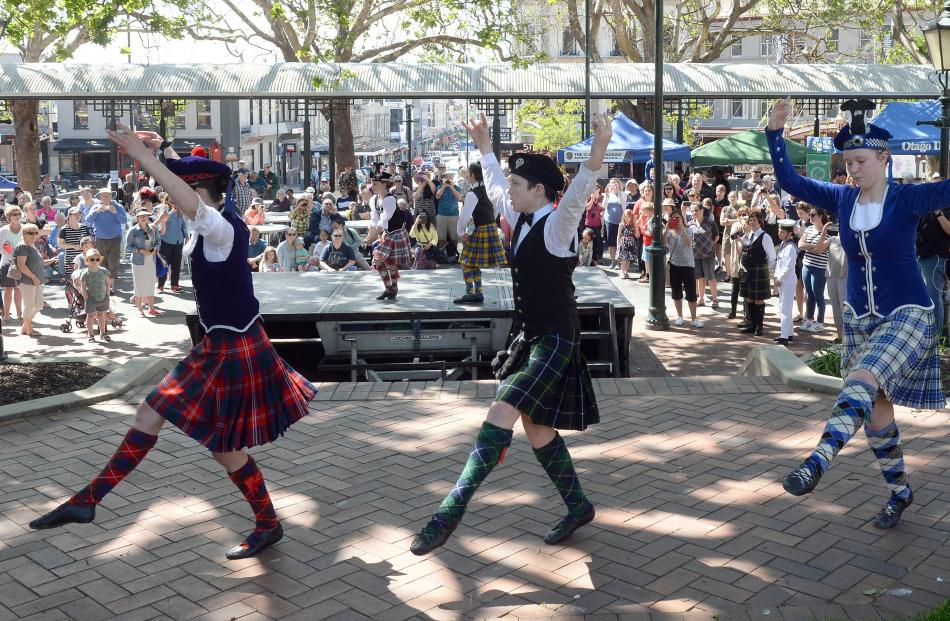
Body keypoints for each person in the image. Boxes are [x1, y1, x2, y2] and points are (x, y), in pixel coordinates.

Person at [29, 124, 317, 561]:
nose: (178, 194)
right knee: (219, 447)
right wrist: (158, 152)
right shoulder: (209, 223)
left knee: (169, 420)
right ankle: (266, 522)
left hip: (231, 347)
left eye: (188, 187)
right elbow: (176, 193)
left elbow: (178, 193)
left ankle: (90, 499)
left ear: (204, 190)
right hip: (223, 344)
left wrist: (146, 159)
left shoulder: (220, 228)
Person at [409, 112, 611, 556]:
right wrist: (483, 143)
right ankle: (578, 506)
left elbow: (580, 189)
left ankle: (449, 511)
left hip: (556, 338)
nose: (510, 191)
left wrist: (600, 145)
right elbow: (498, 184)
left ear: (539, 191)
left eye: (521, 185)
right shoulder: (519, 217)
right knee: (537, 430)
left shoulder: (558, 225)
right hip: (533, 336)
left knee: (502, 412)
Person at [767, 97, 947, 529]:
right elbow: (789, 179)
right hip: (860, 319)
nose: (853, 169)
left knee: (864, 381)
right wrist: (775, 133)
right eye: (848, 161)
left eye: (861, 160)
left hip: (908, 312)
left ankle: (817, 462)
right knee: (876, 408)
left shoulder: (907, 198)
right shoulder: (842, 200)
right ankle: (900, 492)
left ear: (884, 157)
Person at [454, 162, 507, 303]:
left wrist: (460, 232)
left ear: (473, 175)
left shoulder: (472, 194)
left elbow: (464, 216)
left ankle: (471, 292)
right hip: (490, 227)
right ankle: (478, 293)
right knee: (473, 262)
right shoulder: (489, 191)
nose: (467, 176)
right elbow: (495, 210)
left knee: (466, 262)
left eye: (468, 174)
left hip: (481, 229)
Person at [367, 173, 411, 300]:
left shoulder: (390, 199)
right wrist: (369, 236)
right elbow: (375, 221)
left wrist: (371, 238)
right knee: (378, 260)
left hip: (396, 233)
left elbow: (383, 222)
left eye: (375, 183)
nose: (372, 186)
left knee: (390, 263)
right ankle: (389, 288)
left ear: (385, 184)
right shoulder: (374, 199)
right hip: (387, 233)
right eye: (372, 183)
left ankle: (393, 289)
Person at [13, 223, 56, 336]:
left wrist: (50, 261)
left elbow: (38, 262)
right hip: (27, 281)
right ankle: (28, 328)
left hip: (37, 280)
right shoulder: (22, 246)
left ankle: (25, 325)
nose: (34, 235)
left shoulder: (32, 245)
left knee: (39, 304)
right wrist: (33, 277)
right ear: (24, 234)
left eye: (36, 233)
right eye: (30, 233)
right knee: (29, 305)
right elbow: (21, 266)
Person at [738, 211, 775, 336]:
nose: (752, 222)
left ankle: (759, 326)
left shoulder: (765, 237)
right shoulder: (748, 235)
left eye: (754, 220)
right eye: (750, 220)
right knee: (750, 298)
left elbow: (772, 257)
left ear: (760, 222)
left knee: (759, 300)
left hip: (759, 271)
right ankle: (752, 324)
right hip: (748, 271)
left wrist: (764, 269)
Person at [665, 208, 701, 328]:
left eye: (678, 218)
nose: (676, 220)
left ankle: (694, 318)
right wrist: (666, 228)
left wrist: (681, 229)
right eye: (673, 218)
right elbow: (662, 241)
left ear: (682, 219)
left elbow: (688, 242)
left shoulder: (688, 230)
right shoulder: (669, 232)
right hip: (674, 265)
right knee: (676, 292)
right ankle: (679, 316)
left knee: (691, 292)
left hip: (688, 265)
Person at [798, 207, 831, 334]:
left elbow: (820, 250)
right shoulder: (809, 229)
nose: (810, 217)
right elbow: (801, 245)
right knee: (809, 294)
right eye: (810, 215)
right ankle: (809, 319)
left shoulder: (827, 232)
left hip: (819, 268)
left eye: (813, 215)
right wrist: (814, 246)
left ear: (821, 216)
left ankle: (820, 322)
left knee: (818, 294)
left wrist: (811, 247)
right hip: (806, 265)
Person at [126, 208, 164, 318]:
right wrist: (141, 251)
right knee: (139, 285)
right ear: (137, 218)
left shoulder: (153, 228)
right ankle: (139, 309)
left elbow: (158, 242)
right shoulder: (133, 230)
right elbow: (128, 247)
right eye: (141, 216)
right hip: (138, 261)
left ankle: (151, 308)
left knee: (150, 283)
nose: (144, 217)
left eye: (146, 215)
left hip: (151, 260)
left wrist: (155, 249)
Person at [85, 189, 127, 285]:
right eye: (103, 196)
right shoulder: (95, 207)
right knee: (102, 262)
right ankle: (104, 284)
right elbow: (88, 220)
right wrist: (96, 211)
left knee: (114, 261)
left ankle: (110, 285)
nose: (105, 197)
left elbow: (124, 220)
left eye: (107, 195)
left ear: (111, 196)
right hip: (100, 238)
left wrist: (115, 212)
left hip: (115, 238)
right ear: (100, 197)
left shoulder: (118, 206)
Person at [78, 247, 113, 342]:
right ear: (87, 260)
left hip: (102, 297)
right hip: (91, 299)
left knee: (101, 315)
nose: (95, 261)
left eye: (97, 259)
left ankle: (103, 333)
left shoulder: (103, 271)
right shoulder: (85, 273)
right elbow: (83, 287)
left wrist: (108, 293)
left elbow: (107, 282)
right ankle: (91, 335)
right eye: (92, 259)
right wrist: (86, 297)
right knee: (90, 316)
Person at [773, 220, 799, 346]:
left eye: (782, 232)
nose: (779, 233)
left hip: (787, 281)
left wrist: (779, 278)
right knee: (784, 307)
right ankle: (789, 333)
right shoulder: (784, 244)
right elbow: (779, 264)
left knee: (785, 309)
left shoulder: (790, 248)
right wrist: (776, 277)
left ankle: (784, 337)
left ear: (789, 233)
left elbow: (789, 266)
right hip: (784, 281)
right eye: (779, 230)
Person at [157, 195, 189, 294]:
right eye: (172, 201)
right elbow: (162, 221)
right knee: (164, 264)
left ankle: (174, 284)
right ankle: (160, 286)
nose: (174, 202)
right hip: (166, 241)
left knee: (176, 264)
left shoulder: (179, 211)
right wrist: (171, 211)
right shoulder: (163, 209)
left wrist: (187, 237)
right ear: (167, 201)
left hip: (178, 241)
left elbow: (183, 225)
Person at [689, 203, 719, 309]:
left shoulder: (710, 222)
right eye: (692, 211)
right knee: (699, 278)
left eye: (696, 210)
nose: (694, 213)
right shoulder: (690, 224)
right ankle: (701, 299)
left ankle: (715, 299)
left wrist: (710, 245)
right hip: (696, 255)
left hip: (708, 254)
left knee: (710, 278)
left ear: (702, 210)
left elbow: (716, 236)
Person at [0, 205, 24, 321]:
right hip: (7, 263)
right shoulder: (3, 230)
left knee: (19, 289)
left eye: (19, 214)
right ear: (9, 216)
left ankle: (19, 314)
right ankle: (6, 314)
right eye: (14, 214)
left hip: (21, 263)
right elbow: (0, 248)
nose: (17, 216)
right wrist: (8, 250)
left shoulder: (24, 228)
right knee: (8, 289)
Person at [603, 179, 624, 269]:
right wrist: (607, 194)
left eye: (616, 183)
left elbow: (623, 203)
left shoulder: (623, 193)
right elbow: (604, 205)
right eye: (612, 183)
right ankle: (612, 262)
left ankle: (619, 263)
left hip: (620, 222)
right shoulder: (607, 194)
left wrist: (618, 191)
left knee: (620, 242)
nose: (614, 185)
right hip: (609, 221)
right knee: (611, 243)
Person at [616, 208, 638, 279]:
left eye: (629, 216)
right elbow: (619, 235)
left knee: (628, 259)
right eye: (626, 216)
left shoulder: (632, 225)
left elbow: (635, 233)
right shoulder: (621, 225)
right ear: (624, 216)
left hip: (631, 243)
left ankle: (626, 272)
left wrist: (636, 232)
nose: (627, 218)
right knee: (624, 259)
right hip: (623, 242)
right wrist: (618, 244)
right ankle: (622, 272)